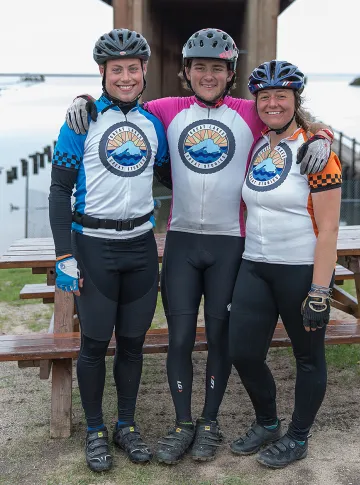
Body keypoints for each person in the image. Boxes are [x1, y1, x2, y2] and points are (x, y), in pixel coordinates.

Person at [64, 28, 334, 464]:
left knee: (221, 339)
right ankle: (182, 424)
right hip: (182, 241)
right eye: (200, 68)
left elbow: (291, 118)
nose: (209, 76)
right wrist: (81, 100)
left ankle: (210, 422)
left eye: (218, 69)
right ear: (186, 72)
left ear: (231, 75)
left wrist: (323, 136)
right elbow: (120, 103)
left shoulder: (249, 112)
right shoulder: (165, 110)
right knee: (180, 339)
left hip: (231, 243)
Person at [49, 28, 170, 472]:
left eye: (132, 69)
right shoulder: (81, 121)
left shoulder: (153, 124)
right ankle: (96, 430)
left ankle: (125, 425)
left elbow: (176, 172)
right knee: (95, 345)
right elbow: (59, 192)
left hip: (140, 247)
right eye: (116, 69)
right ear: (102, 73)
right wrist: (64, 254)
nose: (125, 77)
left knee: (133, 345)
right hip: (93, 247)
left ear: (144, 71)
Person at [228, 60, 341, 469]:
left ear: (296, 100)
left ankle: (298, 436)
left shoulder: (316, 152)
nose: (272, 103)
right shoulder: (259, 144)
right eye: (265, 97)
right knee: (242, 352)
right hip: (255, 265)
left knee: (308, 357)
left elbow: (329, 229)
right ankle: (268, 422)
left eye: (281, 96)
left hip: (300, 269)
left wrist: (320, 290)